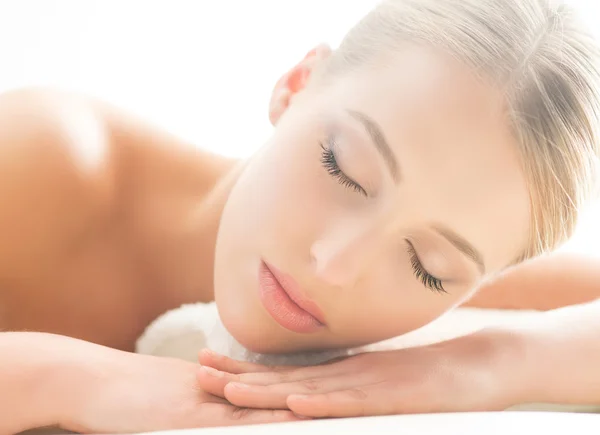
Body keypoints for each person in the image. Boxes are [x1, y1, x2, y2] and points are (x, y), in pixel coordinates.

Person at [2, 0, 600, 432]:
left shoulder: (466, 289)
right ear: (297, 83)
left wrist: (492, 362)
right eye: (343, 168)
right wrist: (64, 377)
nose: (336, 265)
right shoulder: (48, 159)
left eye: (426, 268)